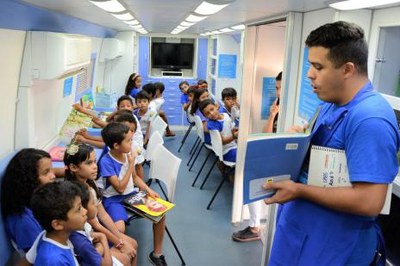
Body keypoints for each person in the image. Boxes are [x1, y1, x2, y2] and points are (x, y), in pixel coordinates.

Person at [263, 21, 400, 265]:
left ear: (347, 69)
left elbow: (369, 202)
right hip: (302, 233)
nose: (309, 75)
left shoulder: (370, 118)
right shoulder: (330, 104)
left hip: (333, 247)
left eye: (318, 67)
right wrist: (299, 141)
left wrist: (300, 190)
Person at [98, 122, 168, 266]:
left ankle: (157, 253)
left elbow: (135, 178)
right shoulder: (106, 161)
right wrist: (131, 164)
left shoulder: (127, 153)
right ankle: (117, 255)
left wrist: (148, 190)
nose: (132, 143)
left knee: (160, 214)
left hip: (131, 195)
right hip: (114, 199)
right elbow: (120, 188)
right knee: (119, 229)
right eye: (129, 140)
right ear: (116, 145)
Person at [63, 143, 137, 264]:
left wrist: (119, 236)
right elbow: (96, 225)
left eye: (94, 161)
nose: (95, 166)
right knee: (127, 254)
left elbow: (103, 215)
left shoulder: (90, 183)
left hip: (96, 234)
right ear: (73, 167)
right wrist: (119, 242)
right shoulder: (77, 194)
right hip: (92, 238)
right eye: (89, 163)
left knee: (133, 244)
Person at [1, 149, 56, 253]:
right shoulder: (24, 222)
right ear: (29, 179)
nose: (53, 176)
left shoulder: (37, 200)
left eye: (51, 170)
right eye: (46, 172)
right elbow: (41, 257)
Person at [28, 181, 86, 265]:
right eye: (78, 209)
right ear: (57, 224)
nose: (85, 211)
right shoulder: (53, 260)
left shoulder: (45, 235)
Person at [199, 99, 238, 163]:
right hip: (226, 152)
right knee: (246, 156)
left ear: (216, 106)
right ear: (205, 116)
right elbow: (222, 142)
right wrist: (234, 136)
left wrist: (235, 131)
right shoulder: (212, 125)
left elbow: (231, 129)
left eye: (212, 109)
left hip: (234, 146)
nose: (211, 113)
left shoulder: (226, 115)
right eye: (207, 113)